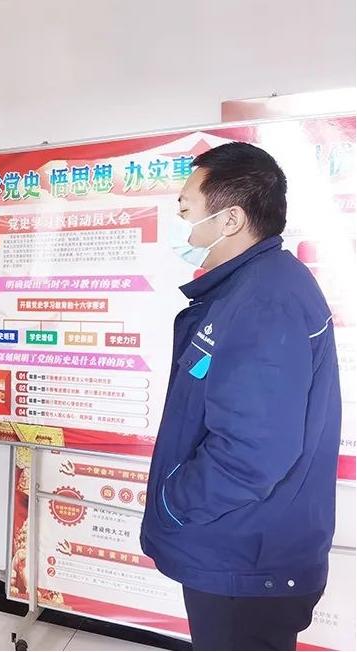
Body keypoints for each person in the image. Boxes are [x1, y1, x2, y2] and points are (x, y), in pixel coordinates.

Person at [140, 142, 341, 651]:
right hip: (243, 550)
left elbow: (253, 451)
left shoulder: (264, 301)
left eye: (185, 207)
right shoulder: (253, 288)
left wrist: (175, 501)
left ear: (230, 219)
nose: (180, 221)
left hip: (246, 560)